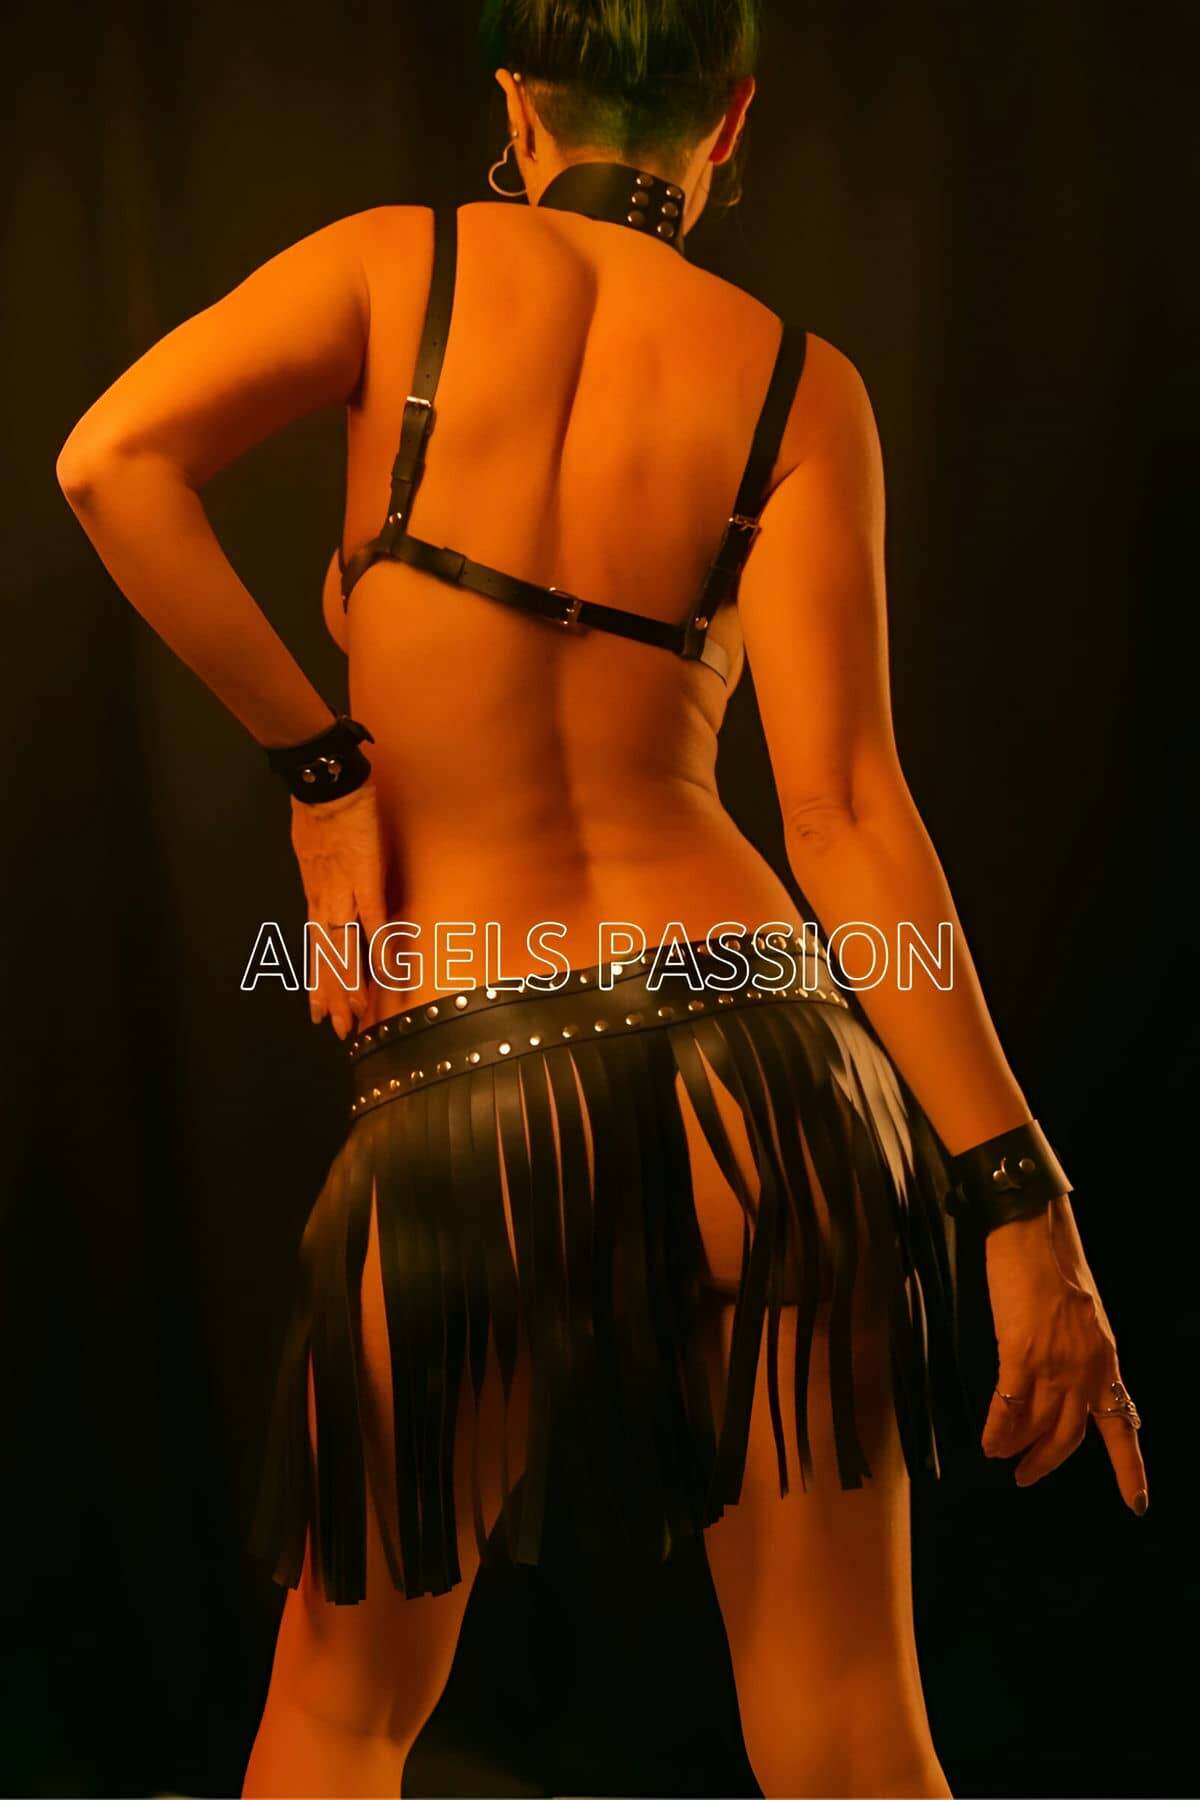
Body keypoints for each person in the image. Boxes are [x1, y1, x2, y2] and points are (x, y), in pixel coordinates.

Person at [55, 2, 1147, 1795]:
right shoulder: (799, 385)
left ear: (515, 98)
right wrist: (1025, 1202)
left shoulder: (392, 267)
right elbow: (851, 818)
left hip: (465, 1090)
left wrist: (322, 775)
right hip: (771, 1084)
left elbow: (108, 463)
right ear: (731, 121)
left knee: (340, 1717)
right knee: (852, 1723)